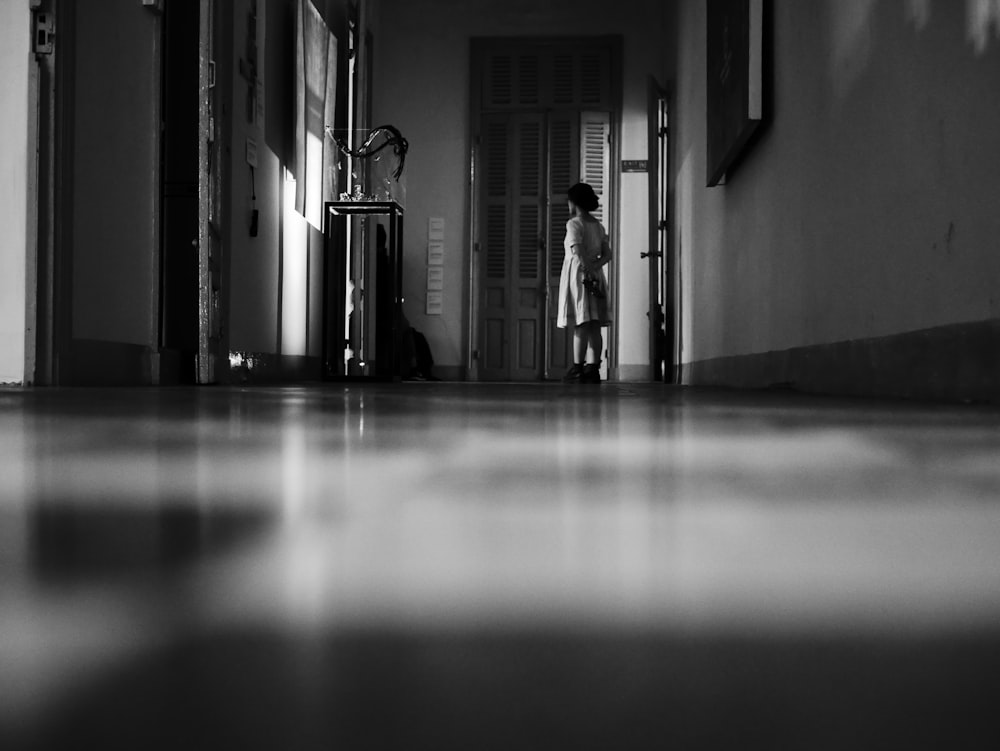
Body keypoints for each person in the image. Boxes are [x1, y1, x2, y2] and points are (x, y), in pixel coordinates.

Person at [557, 182, 612, 384]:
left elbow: (577, 252)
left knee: (581, 323)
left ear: (574, 202)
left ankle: (578, 367)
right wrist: (595, 268)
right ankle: (593, 368)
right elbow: (608, 255)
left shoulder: (574, 224)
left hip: (579, 277)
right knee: (595, 324)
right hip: (596, 276)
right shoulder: (599, 226)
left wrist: (587, 270)